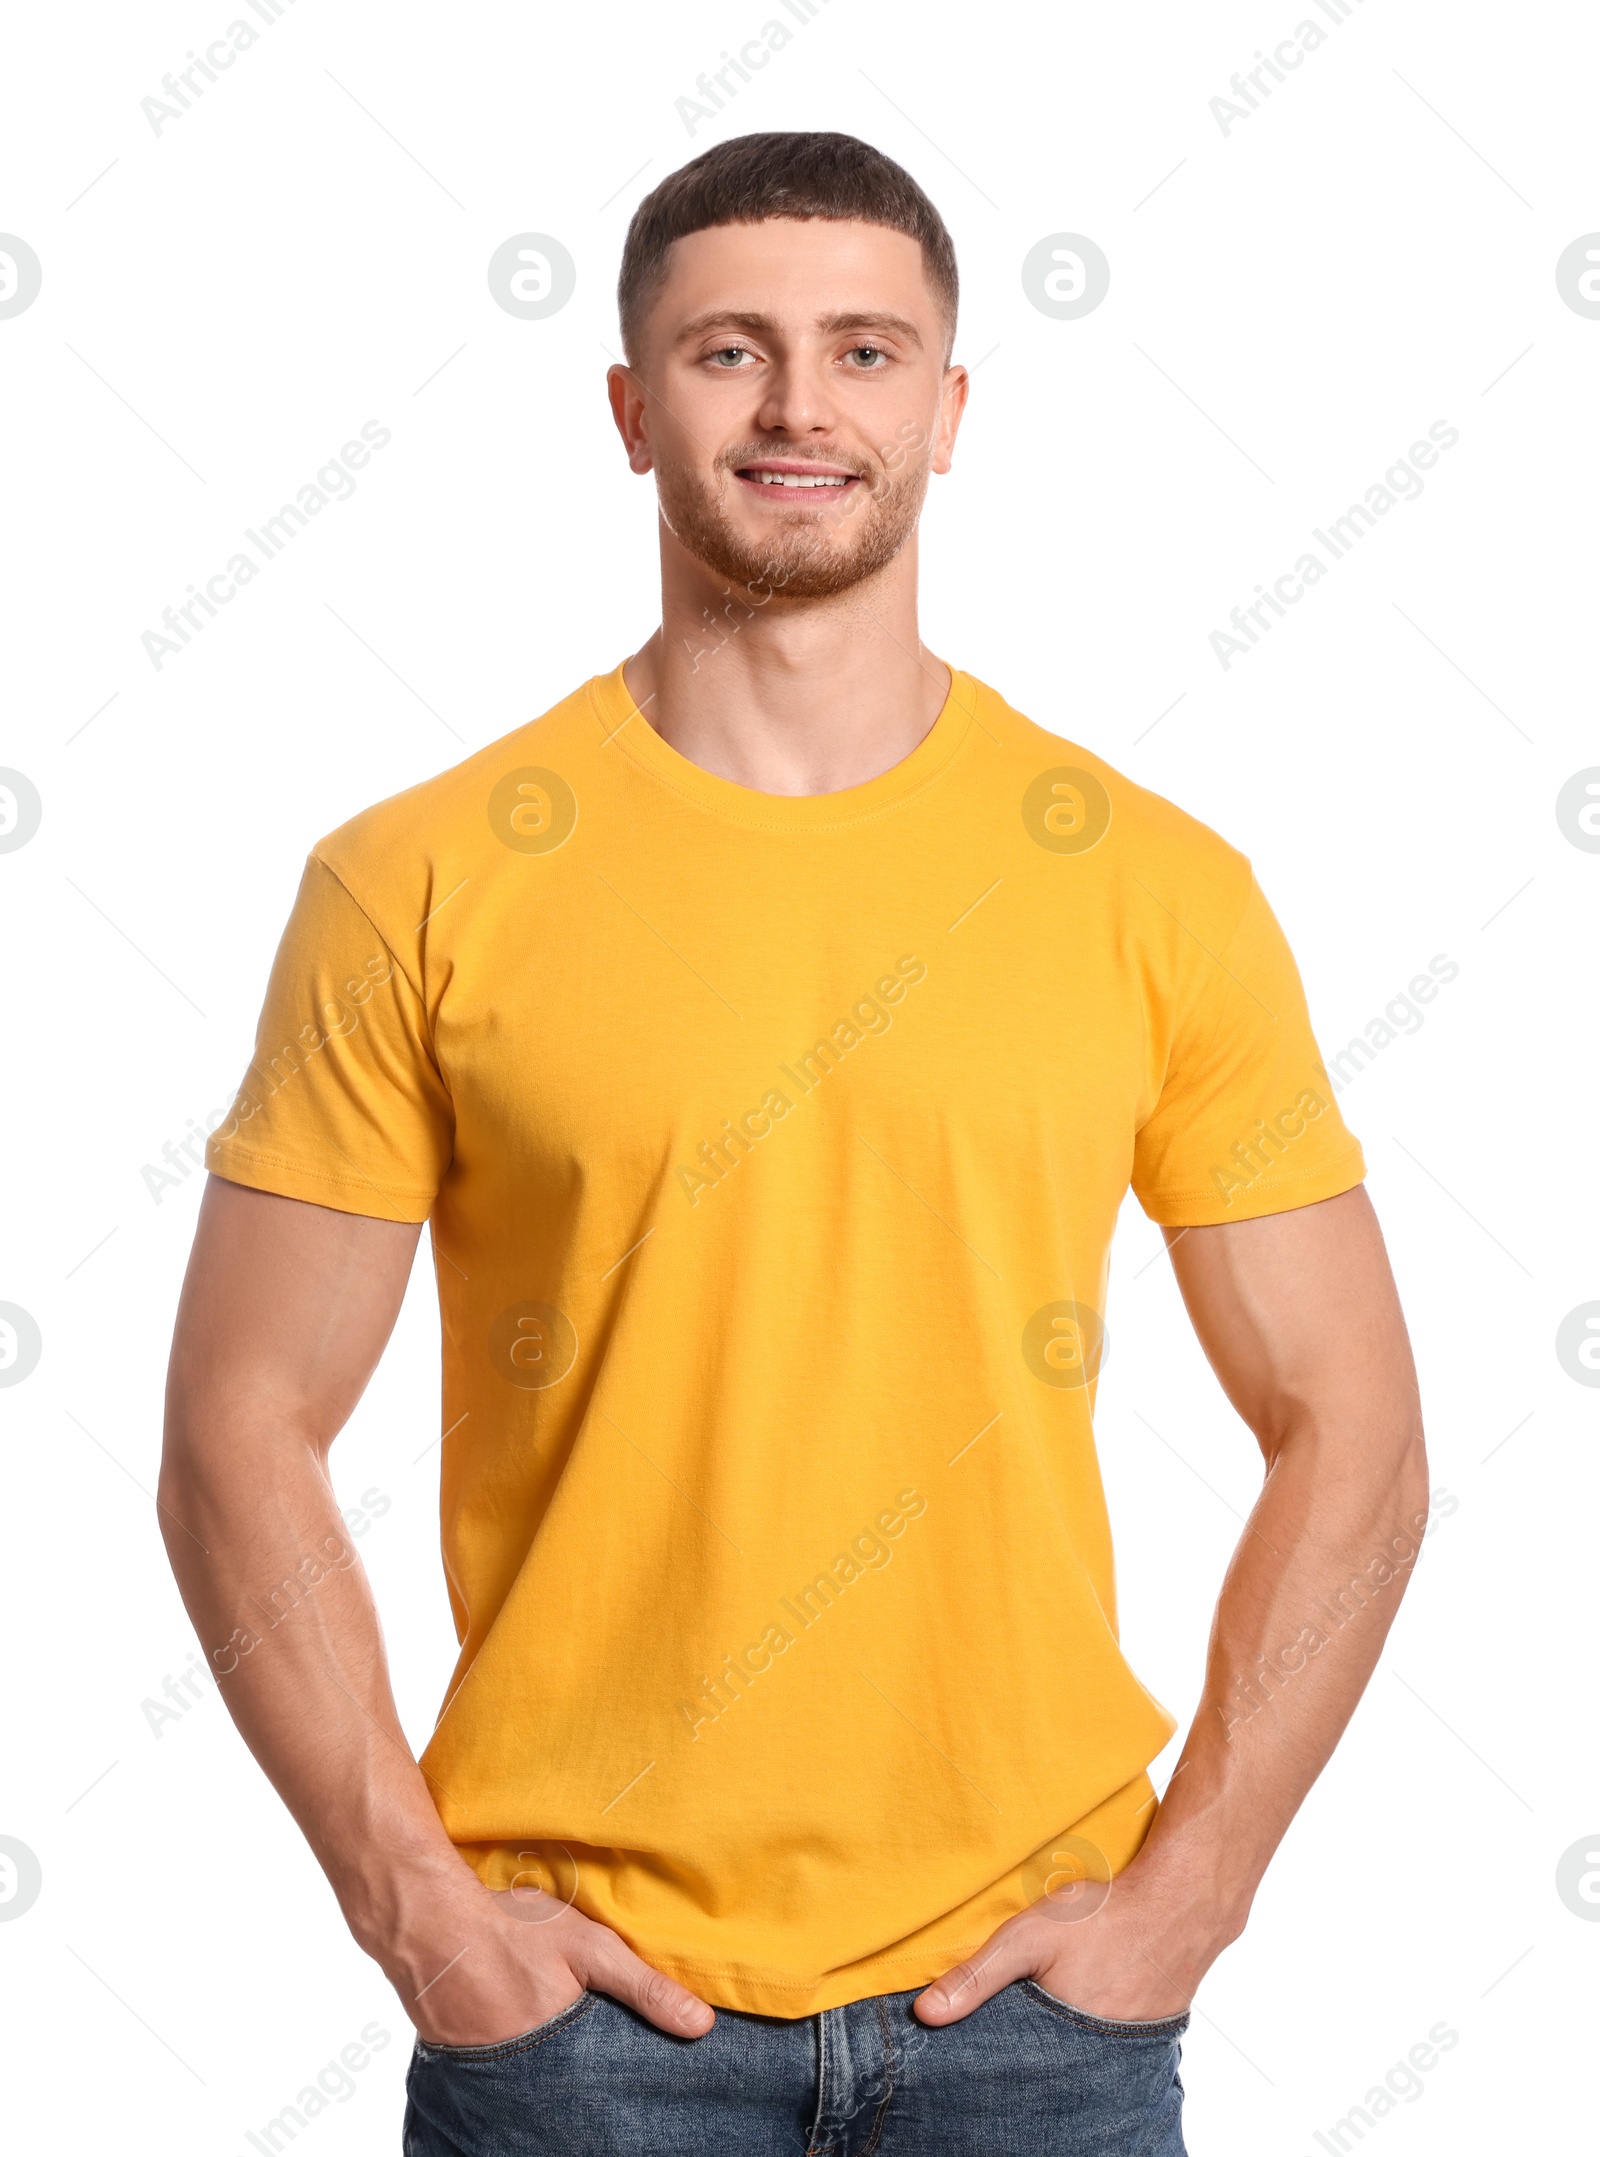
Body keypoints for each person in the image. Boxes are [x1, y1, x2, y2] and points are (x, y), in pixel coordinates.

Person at [160, 131, 1429, 2156]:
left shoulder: (1147, 886)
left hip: (1036, 2014)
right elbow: (239, 1417)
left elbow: (1346, 1411)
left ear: (945, 409)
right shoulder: (415, 878)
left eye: (860, 349)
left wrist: (1190, 1892)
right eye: (726, 351)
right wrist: (419, 1911)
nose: (796, 408)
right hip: (574, 2023)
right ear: (627, 406)